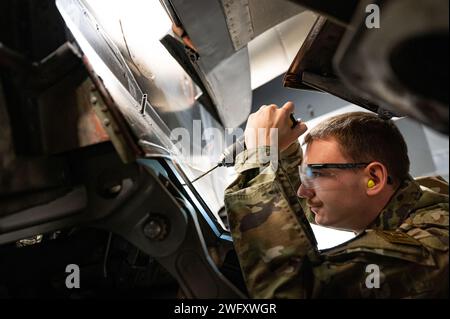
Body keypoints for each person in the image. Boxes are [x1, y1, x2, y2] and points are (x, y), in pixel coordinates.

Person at [224, 101, 449, 298]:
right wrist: (283, 150)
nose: (303, 192)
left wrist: (259, 159)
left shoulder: (430, 245)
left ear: (373, 178)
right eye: (305, 175)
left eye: (317, 173)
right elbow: (302, 205)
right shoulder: (408, 203)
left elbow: (294, 291)